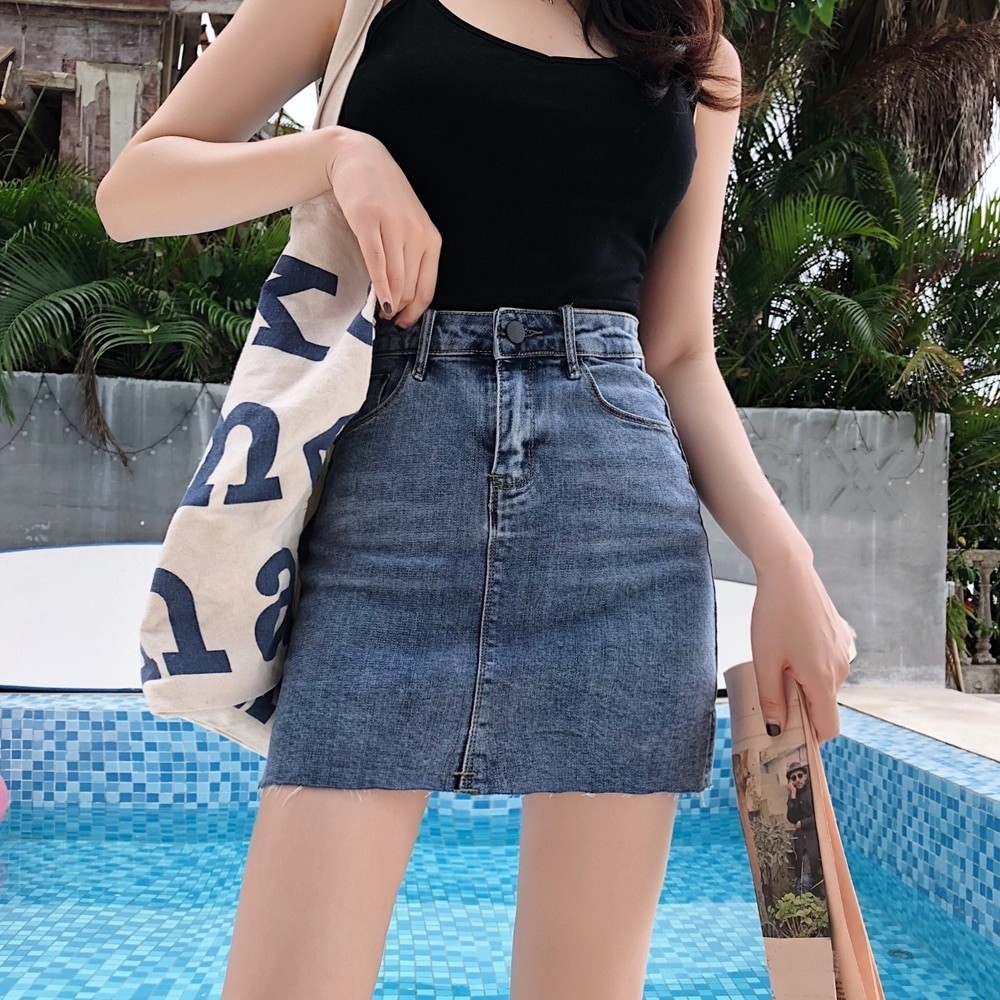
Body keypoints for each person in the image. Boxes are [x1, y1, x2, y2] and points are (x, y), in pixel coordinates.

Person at [96, 0, 854, 995]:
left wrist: (784, 558)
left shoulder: (693, 51)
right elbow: (132, 193)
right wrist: (337, 155)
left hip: (619, 536)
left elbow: (676, 352)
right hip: (387, 516)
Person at [785, 761, 824, 898]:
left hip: (815, 837)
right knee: (803, 870)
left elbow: (821, 815)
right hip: (801, 840)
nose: (797, 780)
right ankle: (809, 898)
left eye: (800, 776)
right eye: (793, 778)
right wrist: (793, 794)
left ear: (805, 776)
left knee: (809, 872)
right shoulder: (794, 794)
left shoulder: (813, 791)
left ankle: (804, 898)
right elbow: (791, 818)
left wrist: (803, 823)